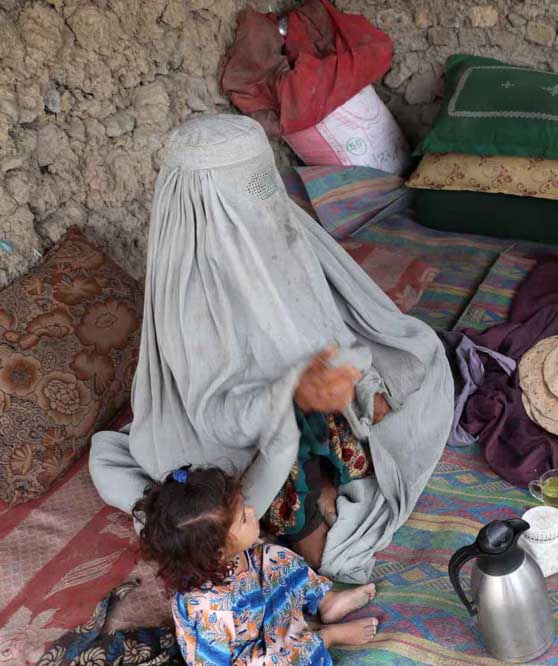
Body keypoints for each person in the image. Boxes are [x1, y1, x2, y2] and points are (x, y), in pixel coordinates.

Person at [90, 114, 454, 583]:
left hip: (304, 406)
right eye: (248, 184)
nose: (264, 195)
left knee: (410, 355)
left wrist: (356, 384)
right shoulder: (190, 287)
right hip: (236, 444)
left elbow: (328, 322)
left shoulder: (276, 226)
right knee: (261, 467)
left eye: (265, 178)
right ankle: (302, 529)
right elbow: (217, 418)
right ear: (205, 200)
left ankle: (324, 476)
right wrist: (295, 392)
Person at [133, 466, 379, 665]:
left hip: (257, 610)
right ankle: (327, 637)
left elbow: (269, 566)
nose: (252, 511)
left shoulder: (233, 556)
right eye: (243, 518)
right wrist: (319, 641)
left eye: (244, 506)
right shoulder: (214, 612)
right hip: (246, 656)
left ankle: (326, 601)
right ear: (218, 552)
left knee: (276, 557)